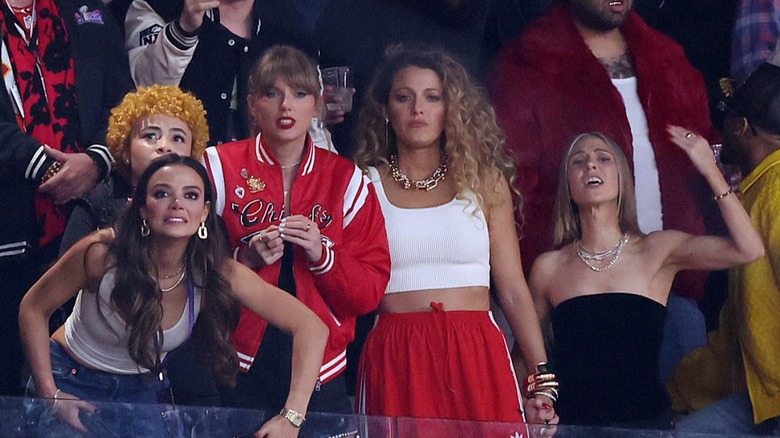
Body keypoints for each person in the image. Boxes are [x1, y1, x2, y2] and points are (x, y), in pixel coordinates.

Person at [490, 0, 720, 382]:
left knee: (677, 416)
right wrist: (539, 285)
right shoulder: (526, 66)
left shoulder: (669, 59)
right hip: (572, 297)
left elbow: (702, 172)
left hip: (670, 284)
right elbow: (510, 194)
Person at [19, 154, 328, 436]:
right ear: (142, 207)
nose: (177, 203)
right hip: (71, 378)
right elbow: (33, 307)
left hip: (141, 391)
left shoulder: (214, 271)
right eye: (162, 193)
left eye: (191, 195)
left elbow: (311, 326)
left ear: (204, 212)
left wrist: (292, 416)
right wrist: (51, 394)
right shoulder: (102, 253)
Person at [352, 46, 557, 430]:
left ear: (452, 109)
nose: (418, 109)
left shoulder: (484, 180)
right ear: (385, 109)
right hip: (397, 354)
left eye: (433, 97)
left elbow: (512, 289)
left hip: (476, 348)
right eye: (404, 97)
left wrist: (541, 378)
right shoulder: (363, 184)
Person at [528, 130, 763, 429]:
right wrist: (534, 402)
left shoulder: (657, 250)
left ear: (622, 178)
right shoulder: (548, 268)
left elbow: (749, 249)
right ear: (568, 185)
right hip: (572, 428)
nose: (591, 166)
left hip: (645, 426)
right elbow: (529, 355)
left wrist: (709, 169)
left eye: (603, 158)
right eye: (578, 161)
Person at [201, 45, 390, 414]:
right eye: (272, 93)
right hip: (233, 364)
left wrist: (324, 256)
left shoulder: (347, 179)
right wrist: (246, 257)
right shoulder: (217, 166)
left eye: (300, 94)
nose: (286, 106)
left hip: (323, 367)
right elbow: (186, 265)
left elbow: (369, 292)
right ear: (252, 104)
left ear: (317, 105)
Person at [0, 0, 133, 396]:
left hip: (89, 225)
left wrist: (97, 160)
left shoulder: (85, 11)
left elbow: (122, 99)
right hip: (11, 232)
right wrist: (40, 163)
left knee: (82, 390)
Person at [669, 62, 780, 435]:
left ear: (741, 126)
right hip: (763, 401)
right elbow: (737, 333)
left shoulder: (777, 191)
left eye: (727, 120)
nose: (721, 131)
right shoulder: (759, 190)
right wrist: (675, 389)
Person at [124, 0, 328, 147]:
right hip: (182, 182)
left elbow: (311, 127)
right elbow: (145, 89)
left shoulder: (292, 29)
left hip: (264, 186)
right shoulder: (157, 7)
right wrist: (184, 29)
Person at [60, 84, 210, 254]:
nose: (164, 146)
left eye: (177, 138)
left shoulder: (201, 207)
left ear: (192, 152)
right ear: (126, 151)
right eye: (150, 136)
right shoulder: (94, 205)